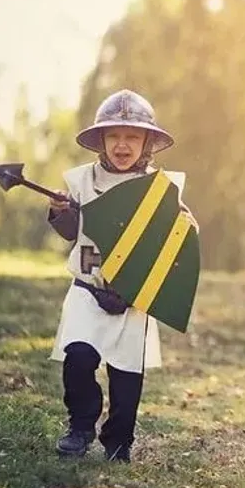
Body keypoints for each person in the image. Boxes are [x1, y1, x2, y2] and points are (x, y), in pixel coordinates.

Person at [46, 89, 198, 463]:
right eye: (114, 136)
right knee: (78, 358)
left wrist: (187, 226)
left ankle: (118, 442)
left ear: (147, 142)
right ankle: (81, 427)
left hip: (134, 299)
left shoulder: (162, 190)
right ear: (101, 141)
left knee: (127, 379)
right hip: (87, 288)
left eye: (132, 136)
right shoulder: (82, 182)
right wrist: (60, 211)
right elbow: (71, 230)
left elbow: (173, 243)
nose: (123, 145)